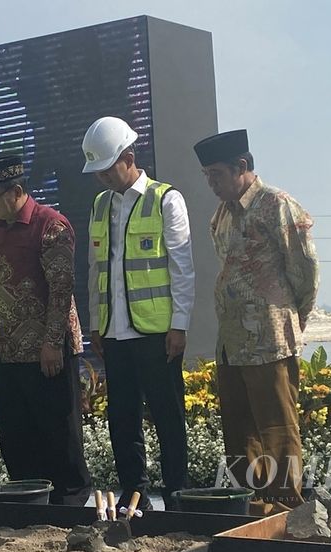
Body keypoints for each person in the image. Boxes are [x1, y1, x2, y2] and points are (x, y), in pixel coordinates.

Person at [194, 129, 319, 515]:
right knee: (239, 430)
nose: (212, 184)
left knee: (277, 428)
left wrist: (291, 316)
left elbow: (305, 269)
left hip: (270, 339)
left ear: (242, 167)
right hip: (232, 342)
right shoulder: (221, 216)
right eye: (207, 176)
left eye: (216, 174)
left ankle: (288, 509)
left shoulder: (277, 205)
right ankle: (250, 505)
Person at [82, 116, 195, 510]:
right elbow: (97, 269)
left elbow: (182, 268)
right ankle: (136, 496)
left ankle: (177, 495)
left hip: (156, 332)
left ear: (129, 158)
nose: (102, 179)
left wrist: (179, 325)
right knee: (122, 420)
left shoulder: (166, 199)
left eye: (107, 169)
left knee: (167, 417)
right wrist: (97, 324)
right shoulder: (100, 205)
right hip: (115, 334)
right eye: (96, 172)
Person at [0, 156, 91, 505]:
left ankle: (69, 503)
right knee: (16, 436)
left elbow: (61, 288)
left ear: (17, 191)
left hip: (48, 353)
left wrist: (52, 342)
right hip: (9, 352)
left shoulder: (50, 225)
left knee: (58, 432)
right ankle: (29, 499)